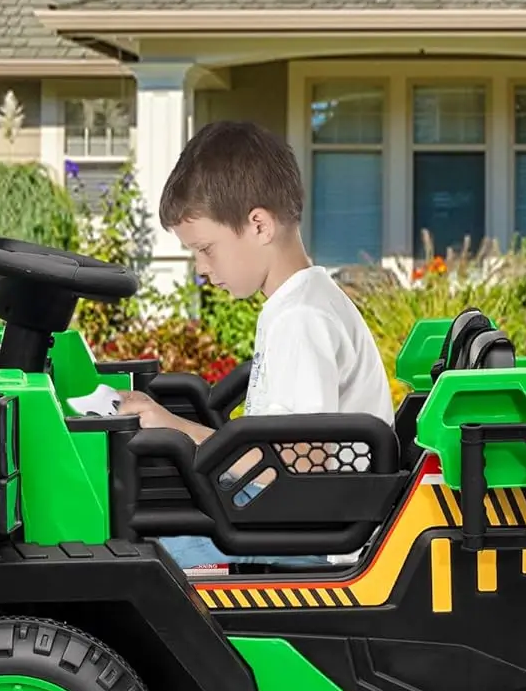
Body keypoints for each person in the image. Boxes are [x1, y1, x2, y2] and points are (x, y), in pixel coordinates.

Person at [116, 120, 394, 572]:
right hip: (298, 517)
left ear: (259, 225)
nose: (200, 268)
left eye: (206, 249)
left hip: (317, 539)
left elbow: (293, 470)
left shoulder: (302, 318)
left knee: (139, 557)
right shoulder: (298, 302)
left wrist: (174, 427)